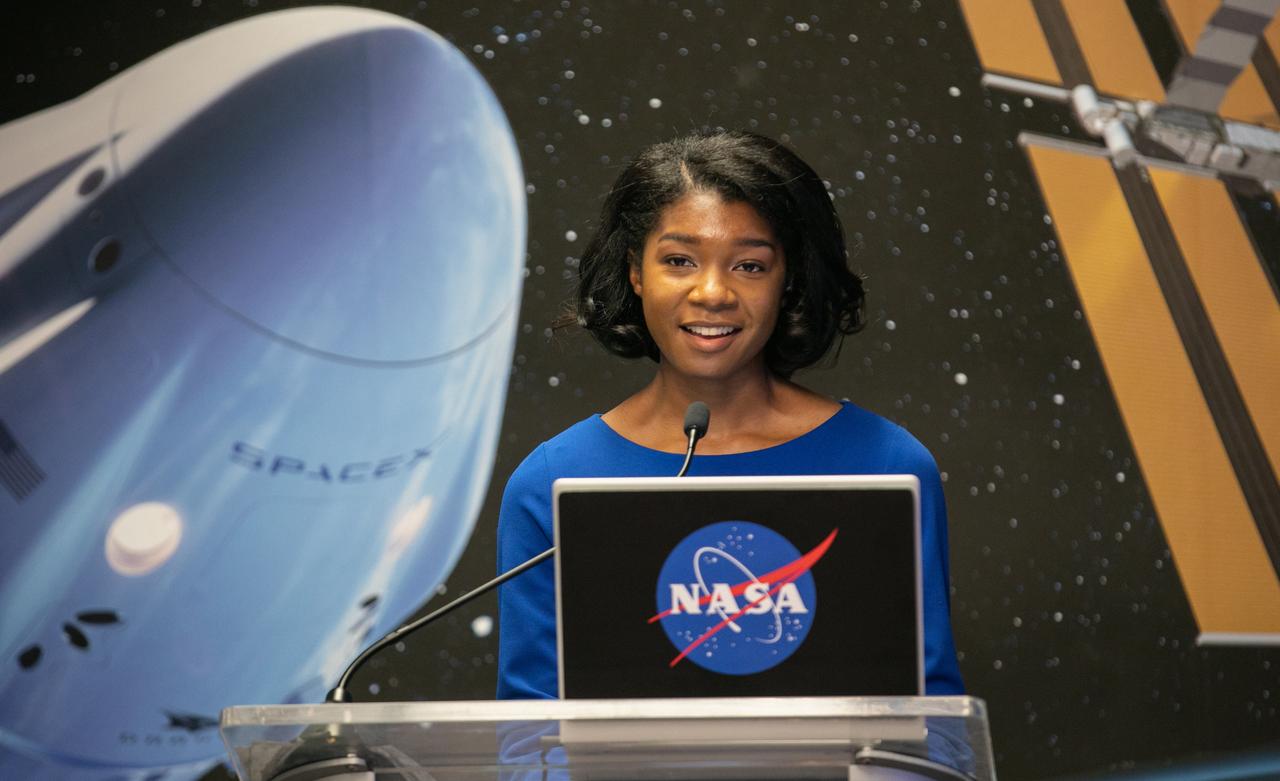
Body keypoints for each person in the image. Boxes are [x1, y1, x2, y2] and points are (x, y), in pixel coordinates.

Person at [496, 130, 963, 699]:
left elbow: (930, 718)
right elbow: (531, 737)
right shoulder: (552, 482)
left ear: (787, 279)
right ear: (636, 272)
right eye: (679, 260)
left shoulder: (886, 464)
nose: (712, 292)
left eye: (748, 265)